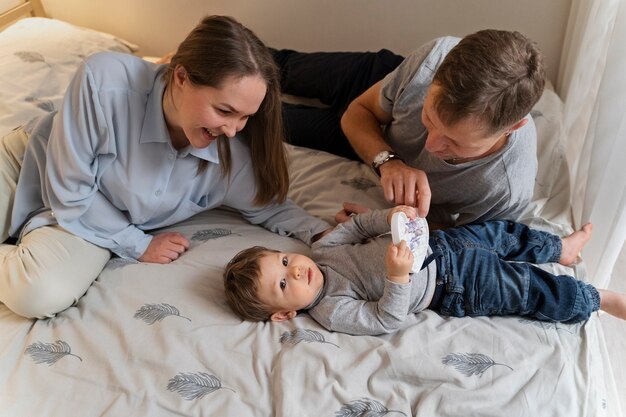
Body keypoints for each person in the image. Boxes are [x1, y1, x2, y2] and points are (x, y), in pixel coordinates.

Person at [0, 15, 331, 319]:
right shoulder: (104, 80)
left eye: (245, 116)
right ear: (182, 77)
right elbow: (70, 190)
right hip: (28, 164)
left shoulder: (232, 151)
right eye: (225, 111)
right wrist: (139, 244)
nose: (232, 129)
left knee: (39, 293)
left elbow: (269, 207)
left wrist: (323, 232)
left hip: (95, 221)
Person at [272, 30, 546, 228]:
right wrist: (389, 162)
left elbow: (462, 239)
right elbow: (357, 112)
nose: (430, 146)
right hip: (378, 95)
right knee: (276, 67)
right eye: (429, 118)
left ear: (512, 128)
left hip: (365, 146)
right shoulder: (430, 63)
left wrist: (383, 224)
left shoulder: (505, 189)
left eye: (455, 142)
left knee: (268, 120)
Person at [224, 205, 626, 336]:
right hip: (455, 285)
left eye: (283, 261)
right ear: (284, 314)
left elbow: (361, 226)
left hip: (444, 243)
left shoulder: (322, 249)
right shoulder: (331, 310)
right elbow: (386, 319)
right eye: (281, 283)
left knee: (501, 233)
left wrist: (391, 216)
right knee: (526, 288)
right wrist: (397, 277)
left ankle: (559, 247)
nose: (294, 271)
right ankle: (598, 299)